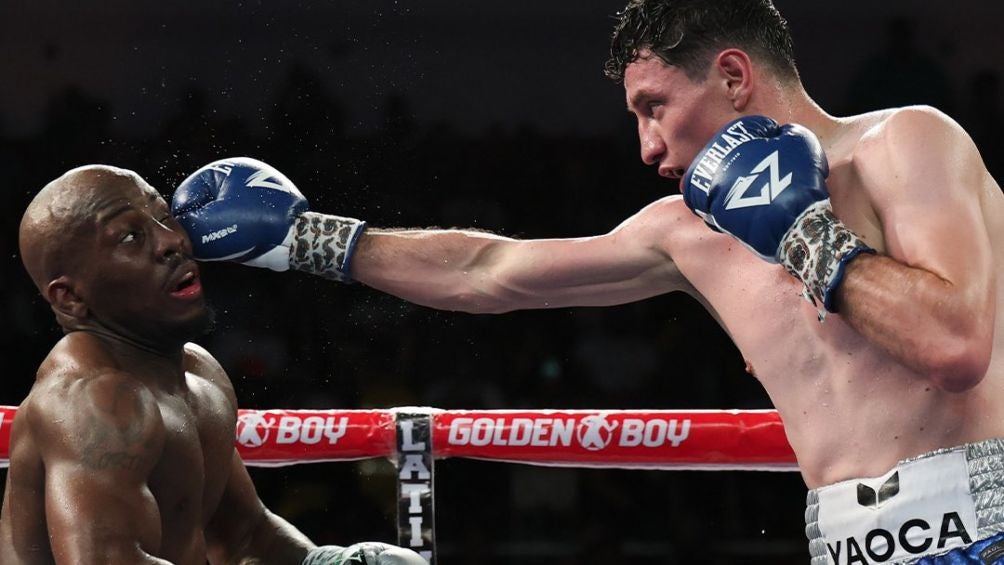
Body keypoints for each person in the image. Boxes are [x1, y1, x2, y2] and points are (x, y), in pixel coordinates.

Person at [170, 1, 1004, 563]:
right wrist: (306, 239)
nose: (647, 148)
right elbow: (491, 270)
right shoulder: (687, 234)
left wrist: (802, 233)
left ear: (733, 76)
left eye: (654, 106)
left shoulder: (905, 145)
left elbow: (956, 345)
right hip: (845, 541)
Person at [1, 165, 426, 565]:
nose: (172, 240)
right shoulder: (90, 404)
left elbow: (244, 536)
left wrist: (326, 560)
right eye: (129, 237)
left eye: (164, 216)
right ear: (70, 298)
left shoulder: (198, 373)